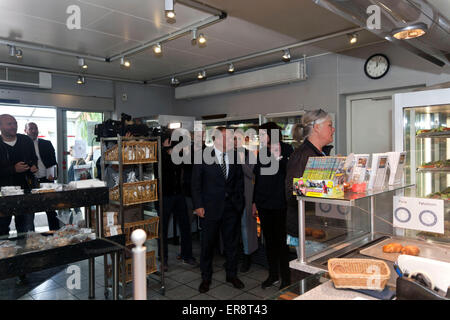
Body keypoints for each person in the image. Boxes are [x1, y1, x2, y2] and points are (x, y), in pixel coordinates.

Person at [192, 127, 245, 293]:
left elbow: (239, 181)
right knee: (207, 245)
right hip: (209, 208)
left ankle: (232, 274)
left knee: (232, 244)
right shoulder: (203, 156)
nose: (229, 140)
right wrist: (198, 205)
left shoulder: (235, 156)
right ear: (215, 139)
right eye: (225, 137)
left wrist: (239, 203)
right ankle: (206, 278)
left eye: (230, 137)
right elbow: (195, 184)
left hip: (231, 208)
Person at [285, 109, 335, 258]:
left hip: (318, 227)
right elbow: (291, 191)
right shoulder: (302, 156)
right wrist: (329, 188)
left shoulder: (321, 153)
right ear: (317, 128)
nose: (333, 129)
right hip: (308, 230)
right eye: (329, 125)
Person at [252, 122, 293, 290]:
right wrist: (254, 201)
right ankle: (273, 275)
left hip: (280, 203)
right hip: (263, 203)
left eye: (263, 134)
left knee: (281, 243)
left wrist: (279, 158)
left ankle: (286, 278)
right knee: (268, 242)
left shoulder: (287, 149)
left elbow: (289, 173)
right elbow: (258, 178)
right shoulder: (262, 151)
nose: (260, 137)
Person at [158, 131, 197, 272]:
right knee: (162, 229)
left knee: (185, 225)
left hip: (179, 195)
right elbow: (169, 167)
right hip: (164, 195)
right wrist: (166, 151)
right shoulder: (160, 155)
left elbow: (188, 165)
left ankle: (187, 255)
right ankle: (164, 260)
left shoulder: (178, 155)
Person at [0, 114, 38, 237]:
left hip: (26, 191)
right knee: (1, 229)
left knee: (26, 229)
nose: (13, 126)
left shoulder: (26, 140)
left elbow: (33, 159)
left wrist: (33, 166)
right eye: (9, 124)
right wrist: (13, 169)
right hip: (3, 194)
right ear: (0, 126)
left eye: (15, 123)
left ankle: (27, 254)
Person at [24, 122, 59, 231]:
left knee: (51, 209)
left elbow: (54, 162)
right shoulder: (22, 145)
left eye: (35, 128)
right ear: (25, 131)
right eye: (31, 129)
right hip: (30, 181)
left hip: (47, 180)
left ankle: (55, 233)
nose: (34, 131)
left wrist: (54, 174)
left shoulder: (46, 143)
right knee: (29, 211)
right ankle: (31, 236)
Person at [234, 130, 258, 273]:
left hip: (247, 196)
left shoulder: (250, 154)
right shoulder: (227, 155)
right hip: (233, 197)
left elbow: (251, 174)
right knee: (233, 228)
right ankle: (234, 256)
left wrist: (240, 162)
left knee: (245, 227)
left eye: (238, 139)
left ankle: (247, 257)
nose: (235, 142)